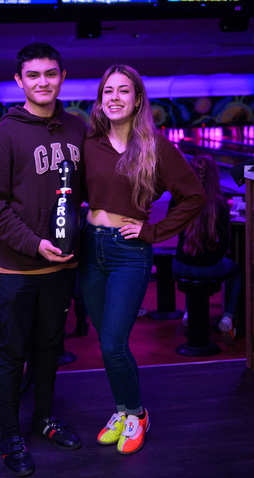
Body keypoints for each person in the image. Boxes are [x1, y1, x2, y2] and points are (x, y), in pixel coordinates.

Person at [78, 64, 206, 456]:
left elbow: (194, 196)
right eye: (108, 91)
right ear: (100, 100)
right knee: (106, 343)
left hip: (128, 252)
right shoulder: (89, 143)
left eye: (123, 90)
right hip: (90, 248)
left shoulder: (155, 147)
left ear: (137, 100)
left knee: (114, 343)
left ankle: (137, 414)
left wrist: (153, 232)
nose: (114, 97)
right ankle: (122, 410)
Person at [0, 42, 86, 477]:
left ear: (62, 77)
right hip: (19, 267)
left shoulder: (77, 127)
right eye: (34, 75)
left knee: (49, 347)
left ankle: (44, 418)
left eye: (51, 73)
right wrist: (33, 243)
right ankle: (10, 435)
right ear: (19, 81)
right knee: (12, 351)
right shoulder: (4, 135)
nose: (43, 82)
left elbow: (86, 192)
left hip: (63, 265)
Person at [171, 154, 241, 345]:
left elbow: (174, 230)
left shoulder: (179, 199)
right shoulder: (220, 204)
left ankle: (188, 313)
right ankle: (227, 318)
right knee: (235, 269)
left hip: (180, 265)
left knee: (191, 265)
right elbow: (224, 245)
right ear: (214, 176)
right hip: (209, 268)